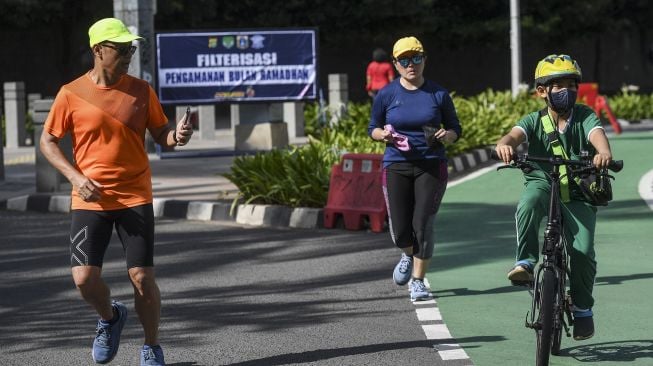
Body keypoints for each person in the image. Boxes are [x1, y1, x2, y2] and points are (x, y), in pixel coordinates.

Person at [40, 18, 193, 365]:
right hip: (89, 198)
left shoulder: (141, 91)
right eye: (121, 49)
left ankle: (151, 347)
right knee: (83, 280)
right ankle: (110, 318)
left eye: (131, 49)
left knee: (141, 277)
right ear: (98, 50)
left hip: (135, 196)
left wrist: (177, 137)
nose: (128, 55)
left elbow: (162, 133)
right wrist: (76, 178)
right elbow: (48, 142)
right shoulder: (71, 93)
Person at [495, 54, 613, 340]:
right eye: (557, 85)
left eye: (571, 85)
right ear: (541, 91)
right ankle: (524, 262)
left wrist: (603, 152)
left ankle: (583, 308)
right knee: (528, 203)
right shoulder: (533, 121)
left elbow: (597, 134)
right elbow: (512, 136)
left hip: (577, 192)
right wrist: (504, 145)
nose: (566, 91)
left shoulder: (584, 116)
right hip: (542, 182)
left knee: (582, 252)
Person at [367, 36, 462, 301]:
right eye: (405, 60)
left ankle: (418, 281)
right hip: (396, 164)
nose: (412, 65)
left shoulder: (438, 94)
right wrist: (382, 135)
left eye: (416, 58)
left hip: (431, 166)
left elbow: (456, 128)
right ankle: (406, 253)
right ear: (396, 64)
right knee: (400, 230)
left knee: (423, 225)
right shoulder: (386, 94)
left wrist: (448, 136)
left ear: (424, 60)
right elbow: (371, 128)